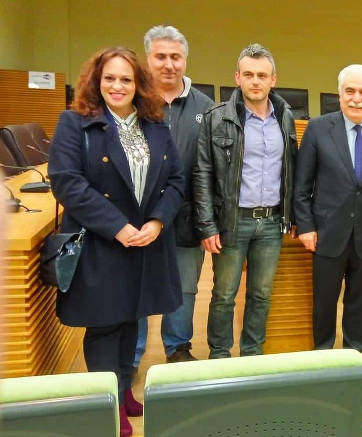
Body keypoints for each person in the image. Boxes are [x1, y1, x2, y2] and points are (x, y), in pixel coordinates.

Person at [48, 47, 184, 437]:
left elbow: (176, 180)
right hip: (102, 241)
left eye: (126, 79)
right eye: (110, 78)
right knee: (105, 326)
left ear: (138, 84)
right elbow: (67, 182)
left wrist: (158, 221)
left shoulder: (155, 124)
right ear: (97, 81)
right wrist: (117, 227)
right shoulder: (75, 122)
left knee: (130, 319)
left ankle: (124, 390)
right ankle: (108, 405)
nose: (118, 86)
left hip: (145, 241)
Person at [193, 43, 296, 358]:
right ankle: (220, 355)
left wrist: (292, 216)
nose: (255, 81)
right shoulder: (216, 118)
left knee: (261, 294)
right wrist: (207, 225)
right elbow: (202, 173)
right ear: (237, 77)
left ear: (273, 80)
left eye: (262, 75)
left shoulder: (285, 117)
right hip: (232, 221)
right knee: (224, 294)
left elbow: (291, 169)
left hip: (271, 222)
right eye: (248, 74)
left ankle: (252, 353)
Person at [294, 64, 362, 354]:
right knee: (325, 300)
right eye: (350, 91)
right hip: (326, 233)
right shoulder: (318, 129)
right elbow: (301, 185)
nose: (356, 98)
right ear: (339, 94)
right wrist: (305, 226)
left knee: (361, 300)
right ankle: (324, 357)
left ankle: (354, 356)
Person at [132, 25, 214, 368]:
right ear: (148, 59)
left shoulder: (206, 107)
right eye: (161, 56)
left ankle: (178, 346)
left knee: (184, 287)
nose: (169, 64)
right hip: (137, 217)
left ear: (185, 60)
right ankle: (131, 354)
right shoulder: (131, 101)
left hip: (185, 216)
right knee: (134, 286)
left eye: (175, 57)